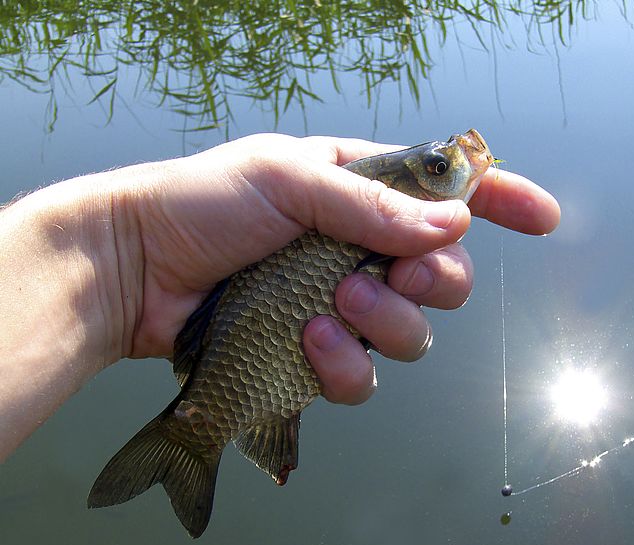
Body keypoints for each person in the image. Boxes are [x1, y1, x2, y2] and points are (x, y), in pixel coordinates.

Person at [0, 133, 560, 461]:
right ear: (399, 194)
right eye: (438, 167)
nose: (454, 167)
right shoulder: (357, 204)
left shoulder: (363, 200)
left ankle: (240, 422)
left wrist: (127, 255)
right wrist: (130, 252)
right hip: (233, 325)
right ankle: (203, 432)